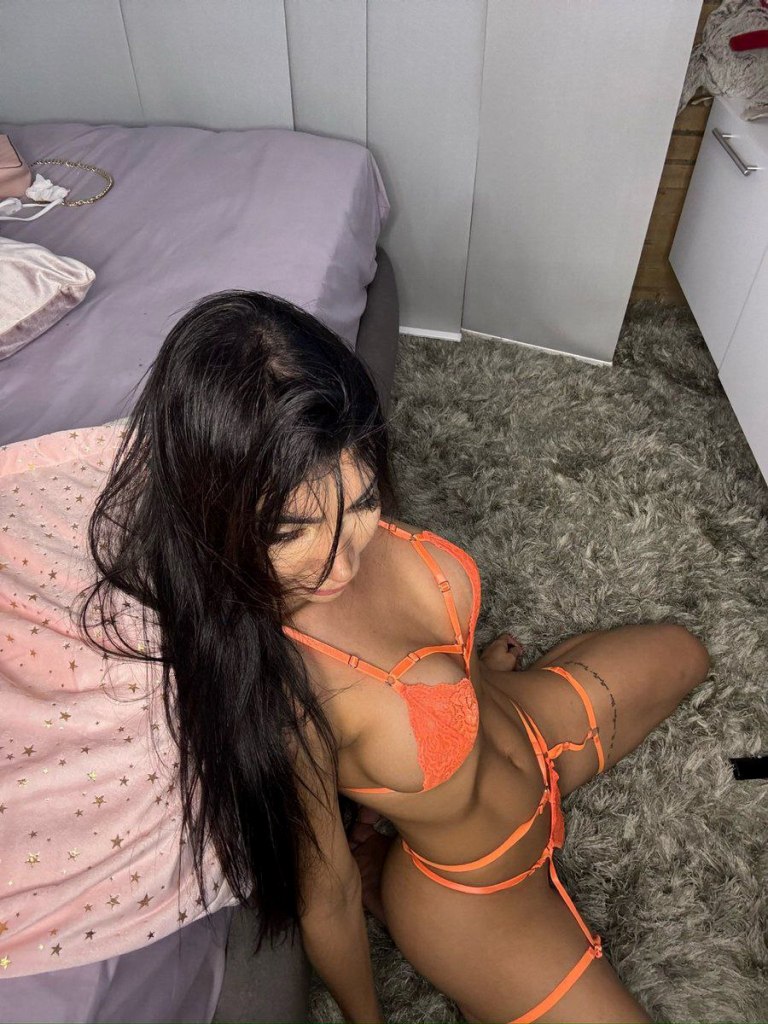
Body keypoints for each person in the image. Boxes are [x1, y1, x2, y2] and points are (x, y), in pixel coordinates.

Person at [0, 290, 711, 1023]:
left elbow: (420, 636)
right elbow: (326, 894)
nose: (341, 563)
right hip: (478, 896)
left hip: (530, 730)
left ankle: (484, 697)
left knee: (688, 653)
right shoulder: (279, 692)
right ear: (218, 516)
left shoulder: (328, 482)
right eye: (289, 533)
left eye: (364, 501)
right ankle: (389, 881)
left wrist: (465, 685)